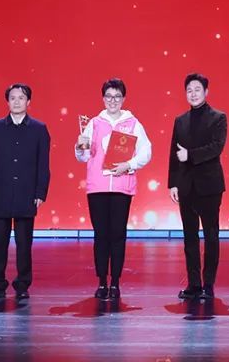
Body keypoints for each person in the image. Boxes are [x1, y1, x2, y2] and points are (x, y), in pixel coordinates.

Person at [74, 78, 152, 300]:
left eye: (117, 97)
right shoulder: (94, 123)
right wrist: (79, 147)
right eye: (109, 96)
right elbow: (83, 157)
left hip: (121, 187)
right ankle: (101, 282)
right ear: (103, 98)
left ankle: (115, 282)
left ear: (123, 99)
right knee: (101, 235)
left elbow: (146, 151)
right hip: (97, 187)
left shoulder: (133, 124)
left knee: (118, 235)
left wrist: (129, 164)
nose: (113, 101)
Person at [0, 83, 50, 301]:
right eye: (13, 98)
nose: (17, 101)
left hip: (26, 194)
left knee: (24, 244)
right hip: (1, 193)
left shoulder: (39, 129)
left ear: (28, 102)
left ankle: (22, 285)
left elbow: (43, 165)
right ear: (8, 102)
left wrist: (40, 192)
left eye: (21, 98)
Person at [168, 72, 227, 301]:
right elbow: (174, 154)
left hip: (210, 186)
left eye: (197, 90)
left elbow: (216, 147)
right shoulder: (180, 120)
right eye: (189, 90)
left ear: (206, 92)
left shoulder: (218, 118)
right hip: (186, 186)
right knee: (189, 237)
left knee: (211, 236)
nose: (193, 94)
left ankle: (208, 284)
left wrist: (190, 155)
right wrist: (172, 183)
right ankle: (194, 284)